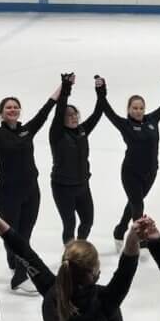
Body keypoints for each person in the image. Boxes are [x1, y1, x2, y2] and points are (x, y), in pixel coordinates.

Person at [1, 203, 141, 321]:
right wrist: (133, 235)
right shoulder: (105, 302)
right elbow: (127, 268)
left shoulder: (52, 295)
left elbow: (24, 252)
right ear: (94, 274)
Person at [0, 78, 61, 289]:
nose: (13, 109)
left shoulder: (27, 130)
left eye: (16, 107)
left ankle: (16, 263)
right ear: (1, 113)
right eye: (8, 107)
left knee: (24, 234)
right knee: (12, 234)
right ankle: (19, 276)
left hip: (31, 191)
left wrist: (63, 87)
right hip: (9, 193)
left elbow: (45, 111)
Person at [99, 74, 160, 252]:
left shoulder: (152, 120)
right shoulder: (124, 124)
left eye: (141, 108)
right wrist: (101, 91)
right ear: (128, 109)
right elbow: (106, 110)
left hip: (150, 172)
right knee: (138, 205)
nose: (138, 111)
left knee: (134, 202)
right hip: (130, 173)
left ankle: (119, 230)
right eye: (134, 108)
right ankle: (140, 238)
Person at [49, 73, 104, 244]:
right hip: (63, 187)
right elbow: (59, 110)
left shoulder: (82, 130)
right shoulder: (57, 133)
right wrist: (66, 88)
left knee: (88, 221)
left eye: (75, 115)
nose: (73, 117)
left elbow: (98, 112)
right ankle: (70, 255)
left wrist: (100, 90)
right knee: (69, 224)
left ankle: (79, 249)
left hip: (82, 185)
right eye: (68, 115)